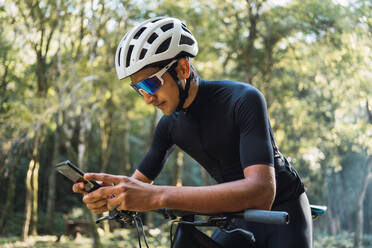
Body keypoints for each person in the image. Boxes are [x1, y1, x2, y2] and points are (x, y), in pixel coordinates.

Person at [73, 17, 313, 248]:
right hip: (237, 214)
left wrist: (159, 196)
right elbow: (138, 186)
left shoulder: (243, 100)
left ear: (183, 68)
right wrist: (109, 193)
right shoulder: (168, 125)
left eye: (150, 84)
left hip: (284, 210)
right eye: (138, 88)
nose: (147, 99)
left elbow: (261, 193)